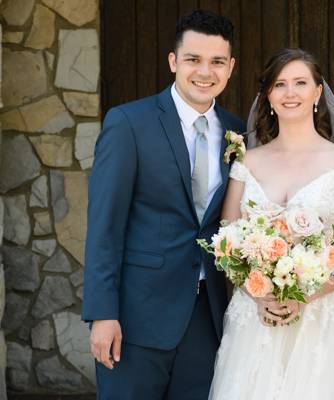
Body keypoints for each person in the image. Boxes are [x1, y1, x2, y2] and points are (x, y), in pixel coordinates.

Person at [208, 48, 334, 400]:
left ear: (318, 92)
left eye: (300, 82)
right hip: (257, 319)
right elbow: (227, 242)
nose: (290, 92)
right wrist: (258, 294)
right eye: (280, 84)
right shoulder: (246, 162)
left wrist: (301, 295)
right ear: (268, 96)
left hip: (325, 317)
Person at [82, 10, 245, 399]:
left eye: (217, 62)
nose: (205, 72)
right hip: (136, 317)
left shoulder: (236, 131)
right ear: (173, 61)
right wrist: (103, 314)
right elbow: (105, 226)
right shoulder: (129, 123)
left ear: (230, 67)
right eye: (193, 59)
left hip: (206, 316)